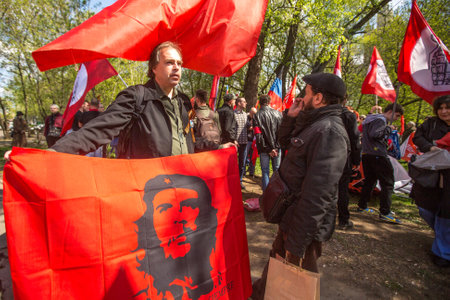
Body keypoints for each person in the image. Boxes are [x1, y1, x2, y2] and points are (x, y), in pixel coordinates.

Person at [252, 73, 349, 299]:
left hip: (303, 227)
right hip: (292, 219)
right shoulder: (315, 124)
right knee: (278, 266)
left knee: (295, 283)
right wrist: (290, 117)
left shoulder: (329, 132)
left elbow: (319, 194)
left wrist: (297, 243)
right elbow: (286, 144)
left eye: (305, 93)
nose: (300, 97)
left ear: (318, 98)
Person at [41, 42, 195, 158]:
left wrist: (216, 146)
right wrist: (56, 152)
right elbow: (100, 128)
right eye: (169, 62)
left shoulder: (184, 101)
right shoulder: (137, 97)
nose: (176, 67)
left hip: (182, 184)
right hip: (149, 187)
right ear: (154, 68)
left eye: (179, 63)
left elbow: (185, 140)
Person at [134, 174, 218, 299]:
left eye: (190, 206)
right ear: (150, 221)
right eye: (165, 209)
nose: (179, 218)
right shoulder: (138, 288)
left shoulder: (221, 273)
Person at [411, 95, 450, 267]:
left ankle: (442, 252)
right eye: (440, 108)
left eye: (447, 108)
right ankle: (443, 238)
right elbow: (417, 138)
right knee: (424, 207)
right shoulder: (431, 124)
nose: (444, 111)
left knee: (446, 212)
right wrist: (431, 148)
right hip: (430, 174)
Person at [357, 103, 404, 224]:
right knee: (388, 183)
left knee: (370, 180)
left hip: (367, 154)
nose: (396, 118)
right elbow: (375, 134)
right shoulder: (381, 120)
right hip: (377, 154)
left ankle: (362, 205)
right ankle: (385, 212)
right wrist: (389, 128)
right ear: (390, 112)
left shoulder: (370, 119)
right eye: (397, 115)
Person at [337, 99, 361, 229]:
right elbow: (355, 139)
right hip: (343, 157)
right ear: (345, 100)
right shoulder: (348, 115)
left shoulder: (323, 113)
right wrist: (356, 160)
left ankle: (341, 219)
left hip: (329, 157)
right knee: (342, 189)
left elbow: (355, 138)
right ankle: (343, 220)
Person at [254, 94, 282, 191]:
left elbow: (258, 136)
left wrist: (269, 149)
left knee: (265, 171)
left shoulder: (257, 115)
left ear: (260, 103)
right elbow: (281, 133)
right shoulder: (278, 114)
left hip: (265, 148)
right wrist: (276, 148)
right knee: (277, 171)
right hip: (276, 148)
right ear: (269, 102)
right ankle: (276, 194)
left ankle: (266, 195)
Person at [234, 97, 248, 188]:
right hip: (235, 143)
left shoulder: (245, 114)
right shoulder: (233, 114)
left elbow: (248, 126)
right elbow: (231, 128)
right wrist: (234, 140)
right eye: (244, 102)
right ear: (239, 103)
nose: (246, 103)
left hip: (244, 142)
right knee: (233, 163)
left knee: (242, 163)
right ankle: (233, 180)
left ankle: (240, 180)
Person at [245, 107, 257, 177]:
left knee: (253, 157)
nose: (253, 115)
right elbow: (248, 127)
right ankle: (243, 172)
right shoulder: (246, 117)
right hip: (247, 139)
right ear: (250, 112)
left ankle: (251, 172)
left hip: (254, 140)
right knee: (245, 156)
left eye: (255, 113)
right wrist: (254, 126)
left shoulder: (256, 118)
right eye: (252, 113)